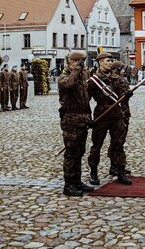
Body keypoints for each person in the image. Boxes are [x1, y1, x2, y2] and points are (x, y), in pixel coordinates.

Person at [87, 53, 133, 186]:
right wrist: (88, 118)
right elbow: (86, 100)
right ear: (100, 62)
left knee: (118, 144)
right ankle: (93, 172)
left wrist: (127, 95)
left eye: (111, 61)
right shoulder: (93, 81)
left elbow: (124, 94)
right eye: (108, 61)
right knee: (97, 145)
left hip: (117, 115)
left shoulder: (117, 78)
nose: (110, 63)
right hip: (101, 115)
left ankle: (120, 172)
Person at [58, 51, 94, 196]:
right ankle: (69, 184)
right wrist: (78, 70)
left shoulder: (82, 77)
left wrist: (89, 117)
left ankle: (77, 181)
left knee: (80, 152)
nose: (82, 66)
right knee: (71, 153)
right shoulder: (64, 77)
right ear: (71, 62)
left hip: (82, 119)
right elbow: (69, 85)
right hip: (70, 119)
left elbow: (85, 100)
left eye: (83, 63)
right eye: (79, 62)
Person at [108, 60, 132, 177]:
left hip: (123, 113)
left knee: (118, 141)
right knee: (118, 141)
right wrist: (126, 95)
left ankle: (116, 165)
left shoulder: (117, 79)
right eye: (121, 69)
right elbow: (120, 97)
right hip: (120, 113)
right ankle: (115, 166)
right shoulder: (116, 80)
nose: (123, 71)